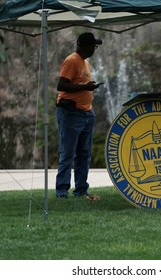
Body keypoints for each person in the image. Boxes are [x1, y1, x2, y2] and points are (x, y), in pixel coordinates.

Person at [55, 32, 103, 200]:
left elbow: (80, 85)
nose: (94, 49)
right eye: (94, 46)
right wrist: (85, 88)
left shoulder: (85, 63)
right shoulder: (71, 61)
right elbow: (61, 85)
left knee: (83, 153)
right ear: (86, 46)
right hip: (71, 113)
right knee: (67, 153)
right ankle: (62, 191)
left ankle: (81, 189)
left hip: (86, 113)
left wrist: (88, 87)